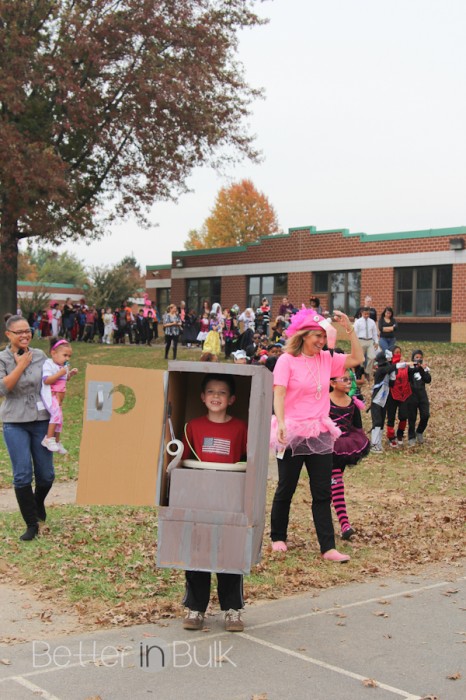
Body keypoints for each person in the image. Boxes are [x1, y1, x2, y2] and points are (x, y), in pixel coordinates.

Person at [270, 307, 364, 562]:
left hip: (320, 431)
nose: (321, 342)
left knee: (322, 491)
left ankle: (328, 547)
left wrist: (350, 329)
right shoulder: (286, 360)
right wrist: (280, 422)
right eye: (316, 337)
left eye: (324, 337)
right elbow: (279, 393)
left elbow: (357, 358)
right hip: (291, 431)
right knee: (286, 488)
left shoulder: (326, 359)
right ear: (303, 335)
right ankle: (278, 537)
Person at [181, 374, 248, 632]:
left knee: (229, 552)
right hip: (199, 496)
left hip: (229, 497)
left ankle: (232, 609)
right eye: (211, 391)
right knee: (197, 551)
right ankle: (196, 608)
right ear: (202, 397)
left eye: (222, 392)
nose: (216, 396)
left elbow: (246, 460)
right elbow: (182, 461)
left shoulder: (241, 427)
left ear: (232, 399)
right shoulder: (192, 426)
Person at [0, 315, 55, 541]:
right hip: (14, 422)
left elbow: (49, 380)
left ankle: (37, 501)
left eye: (27, 330)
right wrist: (21, 365)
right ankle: (31, 524)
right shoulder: (3, 358)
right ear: (8, 335)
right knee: (22, 475)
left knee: (46, 475)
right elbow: (5, 388)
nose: (24, 335)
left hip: (41, 419)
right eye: (18, 332)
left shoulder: (40, 355)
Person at [329, 370, 370, 540]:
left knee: (334, 485)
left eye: (350, 380)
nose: (349, 383)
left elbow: (357, 427)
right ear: (332, 383)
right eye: (344, 380)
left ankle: (340, 522)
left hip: (342, 449)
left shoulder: (352, 403)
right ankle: (340, 524)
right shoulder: (324, 401)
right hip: (324, 447)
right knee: (332, 485)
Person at [41, 338, 78, 454]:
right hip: (50, 395)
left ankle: (57, 441)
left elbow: (64, 379)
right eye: (65, 355)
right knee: (56, 415)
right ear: (53, 353)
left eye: (69, 356)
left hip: (59, 398)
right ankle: (48, 439)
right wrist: (60, 373)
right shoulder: (49, 364)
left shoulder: (62, 367)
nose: (67, 358)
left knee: (59, 419)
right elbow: (46, 380)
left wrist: (70, 374)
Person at [385, 346, 411, 448]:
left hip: (404, 394)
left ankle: (400, 434)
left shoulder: (404, 366)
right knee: (391, 417)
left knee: (404, 416)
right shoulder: (388, 366)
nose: (398, 354)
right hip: (391, 394)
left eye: (399, 352)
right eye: (396, 352)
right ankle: (391, 437)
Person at [406, 349, 431, 446]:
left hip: (422, 394)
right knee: (412, 417)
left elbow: (428, 380)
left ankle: (419, 431)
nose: (419, 359)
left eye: (420, 357)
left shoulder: (424, 368)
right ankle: (411, 437)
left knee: (425, 415)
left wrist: (423, 369)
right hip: (411, 395)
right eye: (417, 357)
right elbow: (407, 376)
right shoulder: (409, 368)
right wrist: (415, 367)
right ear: (413, 358)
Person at [354, 307, 379, 379]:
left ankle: (367, 372)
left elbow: (374, 333)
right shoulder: (358, 322)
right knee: (361, 358)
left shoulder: (372, 322)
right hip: (361, 340)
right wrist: (355, 343)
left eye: (368, 314)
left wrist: (376, 342)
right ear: (362, 313)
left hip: (370, 341)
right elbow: (355, 333)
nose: (367, 315)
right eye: (365, 314)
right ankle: (360, 373)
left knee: (372, 357)